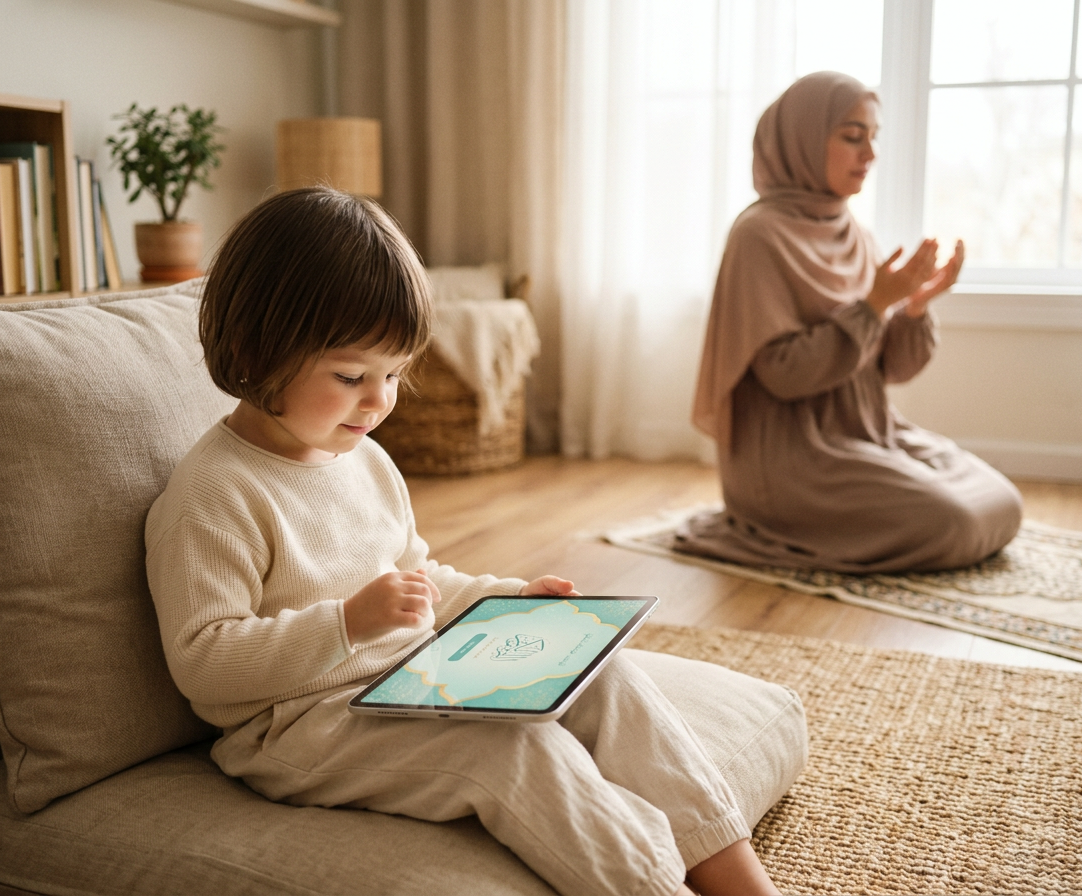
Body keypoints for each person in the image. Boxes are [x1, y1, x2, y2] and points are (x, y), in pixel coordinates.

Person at [144, 187, 781, 896]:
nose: (379, 400)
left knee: (606, 676)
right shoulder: (213, 494)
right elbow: (203, 663)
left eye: (392, 374)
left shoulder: (364, 459)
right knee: (516, 750)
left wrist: (512, 601)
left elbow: (419, 582)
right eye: (353, 376)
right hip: (298, 728)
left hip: (410, 680)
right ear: (252, 350)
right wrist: (347, 624)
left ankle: (743, 882)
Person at [681, 71, 1023, 574]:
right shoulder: (757, 234)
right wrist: (870, 307)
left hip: (868, 433)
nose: (870, 154)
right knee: (954, 522)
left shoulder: (855, 233)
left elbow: (891, 370)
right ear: (802, 139)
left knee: (1003, 503)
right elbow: (785, 374)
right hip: (792, 461)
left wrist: (912, 307)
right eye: (852, 136)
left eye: (874, 138)